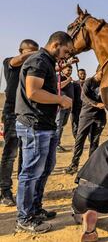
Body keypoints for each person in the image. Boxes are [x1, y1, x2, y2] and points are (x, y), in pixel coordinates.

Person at [15, 31, 74, 233]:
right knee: (31, 173)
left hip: (45, 125)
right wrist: (60, 99)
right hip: (34, 125)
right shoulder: (39, 60)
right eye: (66, 51)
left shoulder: (47, 61)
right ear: (56, 44)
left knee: (45, 168)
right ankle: (24, 217)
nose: (66, 55)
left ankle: (35, 209)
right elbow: (33, 92)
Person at [0, 39, 39, 206]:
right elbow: (18, 60)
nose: (32, 55)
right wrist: (38, 53)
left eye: (35, 52)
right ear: (20, 51)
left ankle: (23, 191)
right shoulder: (10, 62)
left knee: (26, 155)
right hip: (11, 114)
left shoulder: (32, 68)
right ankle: (5, 191)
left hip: (28, 115)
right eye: (29, 51)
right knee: (10, 155)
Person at [64, 72, 106, 175]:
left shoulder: (105, 83)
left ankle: (92, 166)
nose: (103, 75)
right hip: (86, 116)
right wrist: (96, 104)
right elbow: (84, 97)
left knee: (94, 142)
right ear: (98, 72)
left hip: (99, 117)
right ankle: (74, 164)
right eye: (102, 73)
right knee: (80, 140)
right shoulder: (89, 82)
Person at [55, 64, 75, 152]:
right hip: (60, 106)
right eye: (68, 70)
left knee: (62, 125)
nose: (69, 72)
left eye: (71, 70)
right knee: (58, 125)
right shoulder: (58, 77)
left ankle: (57, 143)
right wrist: (68, 81)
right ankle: (55, 145)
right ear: (62, 70)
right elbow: (58, 86)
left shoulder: (70, 81)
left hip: (68, 107)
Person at [71, 68, 86, 138]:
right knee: (75, 124)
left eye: (84, 74)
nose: (83, 75)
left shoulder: (88, 83)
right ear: (78, 75)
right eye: (81, 74)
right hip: (75, 107)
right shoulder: (74, 84)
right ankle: (76, 138)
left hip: (85, 107)